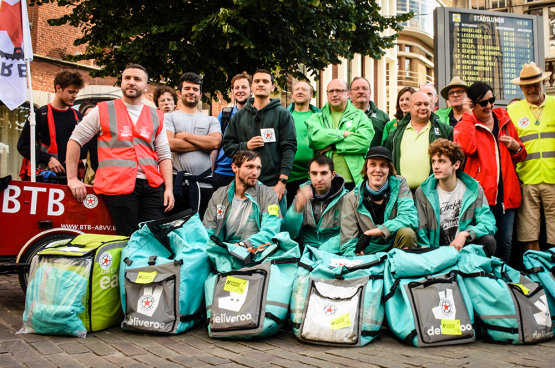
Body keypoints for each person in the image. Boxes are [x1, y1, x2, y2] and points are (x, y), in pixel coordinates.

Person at [66, 64, 174, 236]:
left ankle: (152, 264)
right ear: (121, 83)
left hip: (152, 185)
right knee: (129, 238)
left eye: (137, 79)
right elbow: (75, 140)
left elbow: (164, 154)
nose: (131, 82)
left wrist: (168, 189)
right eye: (127, 78)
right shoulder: (102, 110)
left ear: (146, 87)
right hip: (118, 186)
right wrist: (72, 178)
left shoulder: (156, 115)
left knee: (158, 237)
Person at [454, 82, 526, 263]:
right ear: (473, 105)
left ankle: (504, 280)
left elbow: (521, 156)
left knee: (506, 242)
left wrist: (516, 147)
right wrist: (467, 116)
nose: (489, 106)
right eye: (483, 103)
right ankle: (488, 280)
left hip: (506, 193)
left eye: (491, 100)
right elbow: (467, 149)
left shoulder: (505, 120)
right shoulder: (468, 123)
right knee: (486, 241)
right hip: (482, 196)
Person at [222, 69, 297, 203]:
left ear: (272, 87)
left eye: (265, 81)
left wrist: (282, 182)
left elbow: (289, 148)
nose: (261, 84)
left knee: (272, 223)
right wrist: (246, 146)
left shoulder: (282, 114)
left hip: (273, 185)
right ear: (252, 87)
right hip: (244, 185)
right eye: (257, 81)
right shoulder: (239, 116)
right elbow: (227, 147)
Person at [414, 139, 497, 255]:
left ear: (456, 165)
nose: (436, 166)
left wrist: (465, 234)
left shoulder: (472, 189)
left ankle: (478, 271)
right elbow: (420, 229)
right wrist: (428, 253)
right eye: (433, 161)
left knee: (489, 240)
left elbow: (488, 222)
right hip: (436, 250)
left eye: (441, 161)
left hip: (463, 247)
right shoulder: (423, 192)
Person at [507, 62, 555, 251]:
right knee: (529, 233)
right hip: (526, 179)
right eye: (527, 86)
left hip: (553, 179)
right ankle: (536, 273)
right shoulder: (512, 110)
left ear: (543, 83)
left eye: (536, 84)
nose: (532, 89)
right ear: (521, 87)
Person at [339, 146, 418, 256]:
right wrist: (357, 258)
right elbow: (348, 241)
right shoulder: (351, 198)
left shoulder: (400, 185)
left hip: (395, 246)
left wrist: (373, 232)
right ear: (366, 169)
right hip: (368, 251)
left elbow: (410, 217)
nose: (378, 169)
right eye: (373, 164)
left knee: (407, 233)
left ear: (389, 169)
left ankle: (403, 270)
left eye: (383, 165)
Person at [165, 72, 222, 220]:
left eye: (195, 89)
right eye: (187, 88)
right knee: (176, 229)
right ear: (179, 92)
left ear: (200, 94)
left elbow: (215, 143)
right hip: (178, 185)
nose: (191, 92)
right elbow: (170, 143)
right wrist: (204, 144)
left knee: (204, 229)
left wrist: (184, 135)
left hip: (205, 185)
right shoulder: (169, 117)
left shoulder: (211, 120)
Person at [305, 79, 374, 191]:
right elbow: (314, 138)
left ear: (348, 94)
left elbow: (364, 142)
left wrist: (333, 146)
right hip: (324, 182)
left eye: (339, 90)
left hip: (354, 182)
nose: (335, 94)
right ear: (327, 95)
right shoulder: (316, 118)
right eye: (331, 91)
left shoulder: (360, 116)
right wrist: (343, 134)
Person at [203, 150, 282, 248]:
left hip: (256, 251)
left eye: (258, 168)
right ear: (234, 167)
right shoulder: (219, 195)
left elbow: (270, 230)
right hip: (223, 251)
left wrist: (242, 245)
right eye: (250, 167)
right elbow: (208, 230)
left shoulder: (269, 195)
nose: (255, 173)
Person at [18, 71, 86, 181]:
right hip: (43, 177)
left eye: (76, 92)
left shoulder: (78, 117)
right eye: (71, 92)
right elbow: (23, 145)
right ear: (58, 88)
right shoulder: (39, 114)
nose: (75, 96)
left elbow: (86, 147)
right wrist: (48, 159)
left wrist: (71, 158)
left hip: (70, 179)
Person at [383, 91, 453, 191]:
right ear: (409, 107)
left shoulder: (444, 130)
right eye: (418, 104)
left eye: (426, 104)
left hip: (434, 193)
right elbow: (386, 161)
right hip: (402, 194)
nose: (423, 108)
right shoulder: (395, 133)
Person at [283, 155, 347, 252]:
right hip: (305, 250)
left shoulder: (346, 198)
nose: (319, 178)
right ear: (309, 175)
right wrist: (297, 210)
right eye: (314, 173)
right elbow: (289, 233)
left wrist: (320, 252)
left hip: (335, 251)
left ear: (333, 175)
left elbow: (348, 234)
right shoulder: (301, 196)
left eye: (324, 173)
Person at [213, 72, 253, 190]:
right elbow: (216, 145)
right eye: (237, 87)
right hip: (223, 171)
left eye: (244, 87)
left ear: (251, 90)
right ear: (232, 91)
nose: (240, 90)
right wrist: (211, 171)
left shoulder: (257, 115)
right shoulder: (225, 114)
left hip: (248, 173)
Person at [285, 81, 321, 207]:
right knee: (288, 214)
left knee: (309, 217)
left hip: (312, 178)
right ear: (293, 94)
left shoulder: (319, 116)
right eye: (297, 89)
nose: (300, 91)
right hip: (287, 176)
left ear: (311, 95)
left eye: (304, 90)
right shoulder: (284, 115)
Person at [349, 77, 390, 148]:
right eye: (356, 89)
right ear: (350, 94)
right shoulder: (342, 114)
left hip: (375, 158)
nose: (361, 91)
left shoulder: (383, 117)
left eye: (364, 88)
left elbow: (388, 144)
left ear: (370, 93)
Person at [79, 101, 98, 185]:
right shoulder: (78, 136)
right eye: (87, 114)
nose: (91, 117)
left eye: (93, 114)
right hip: (87, 179)